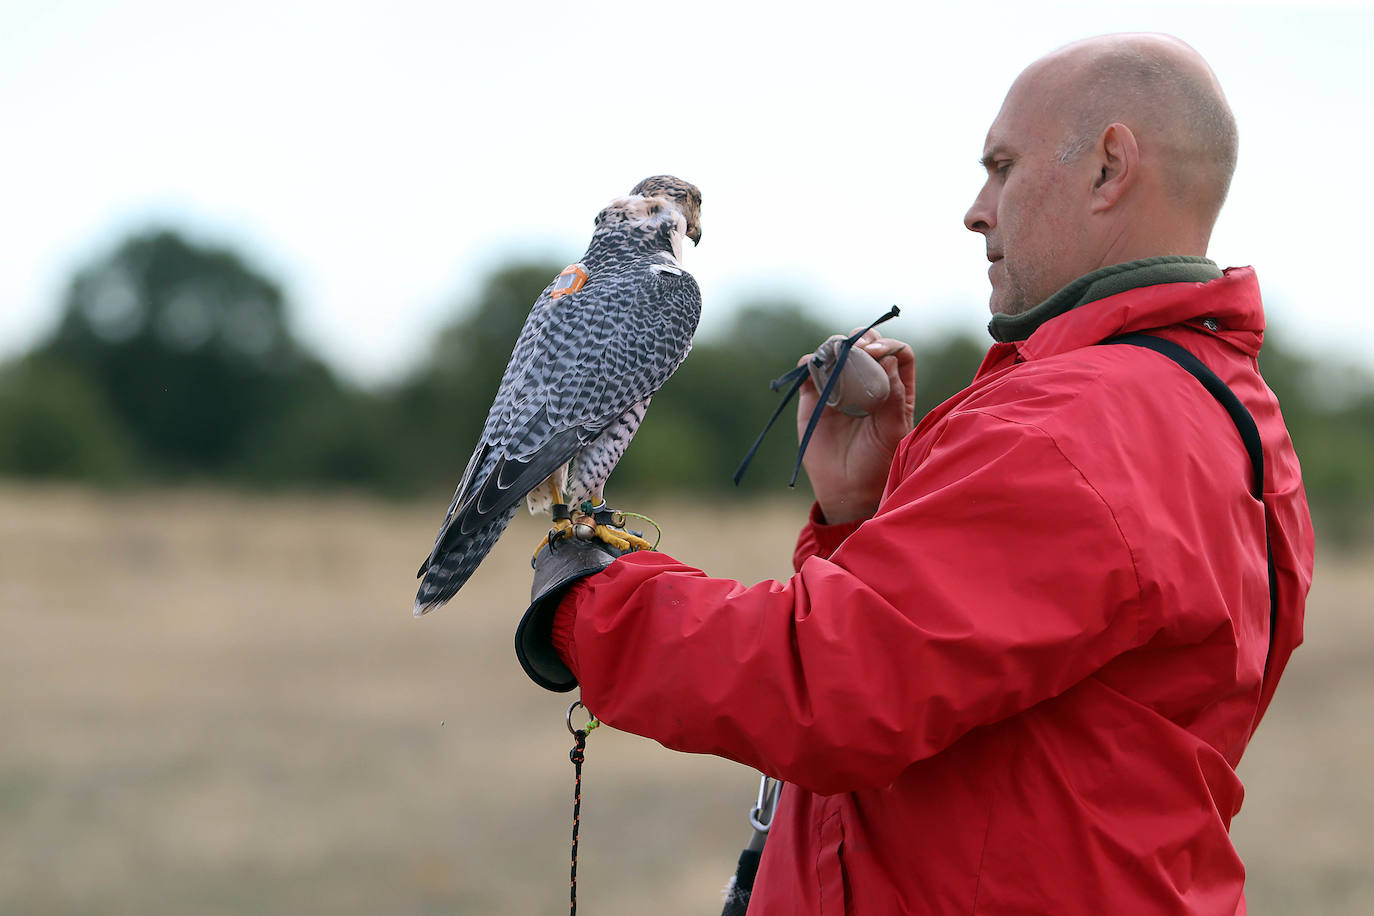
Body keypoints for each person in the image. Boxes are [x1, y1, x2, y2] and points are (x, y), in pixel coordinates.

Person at [519, 32, 1315, 914]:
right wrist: (868, 513)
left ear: (1108, 168)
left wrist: (587, 605)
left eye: (1002, 168)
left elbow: (829, 686)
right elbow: (1004, 690)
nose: (977, 210)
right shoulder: (1228, 411)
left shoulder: (1077, 426)